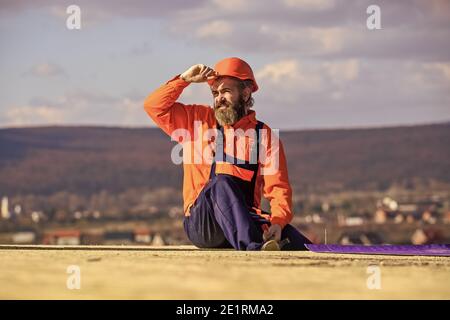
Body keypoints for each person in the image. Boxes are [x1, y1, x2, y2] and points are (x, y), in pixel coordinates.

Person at [144, 57, 311, 250]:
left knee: (294, 239)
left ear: (246, 93)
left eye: (226, 91)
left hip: (243, 219)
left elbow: (279, 189)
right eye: (215, 92)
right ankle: (253, 248)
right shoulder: (196, 121)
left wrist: (278, 223)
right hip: (204, 224)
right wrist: (184, 79)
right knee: (221, 182)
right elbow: (153, 106)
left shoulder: (263, 136)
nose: (219, 98)